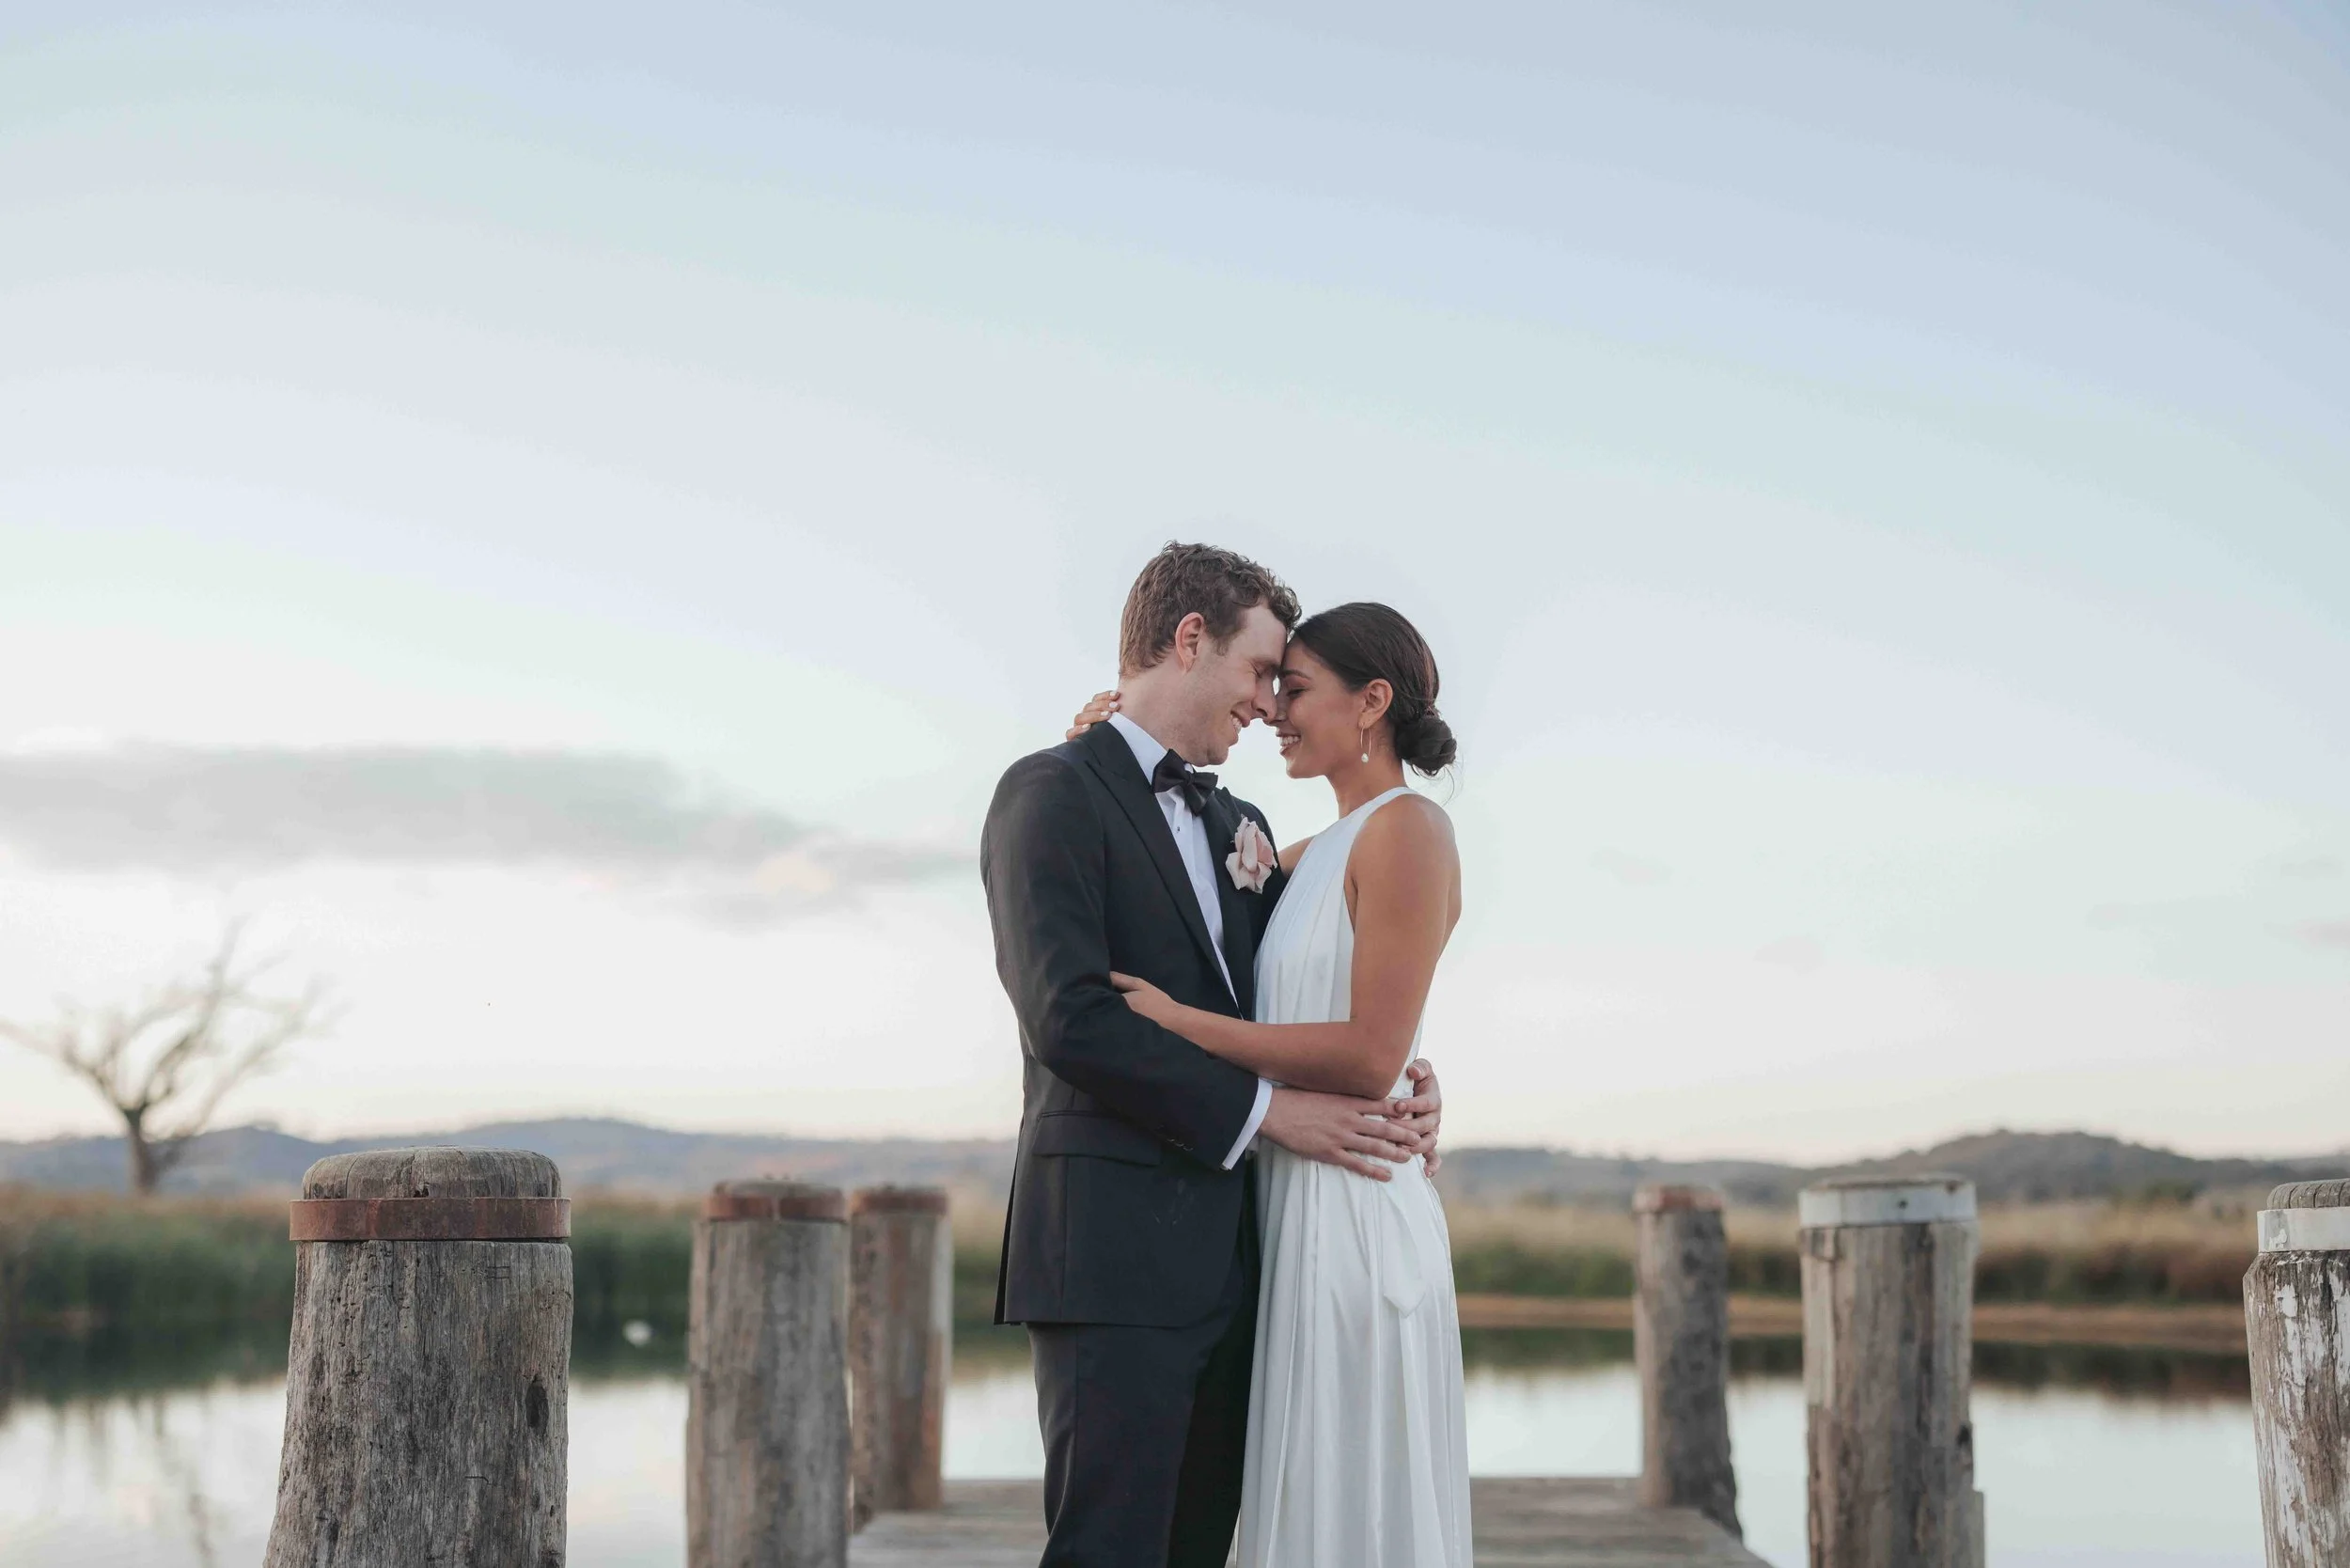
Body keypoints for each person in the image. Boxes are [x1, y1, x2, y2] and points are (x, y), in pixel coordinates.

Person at [980, 543, 1448, 1568]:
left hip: (1248, 1264)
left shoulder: (1245, 827)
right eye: (1258, 673)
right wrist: (1266, 1114)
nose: (1269, 705)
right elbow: (1070, 1019)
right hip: (1110, 1258)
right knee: (1107, 1550)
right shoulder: (1050, 792)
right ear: (1189, 640)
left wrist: (1412, 1079)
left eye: (1288, 684)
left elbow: (1332, 996)